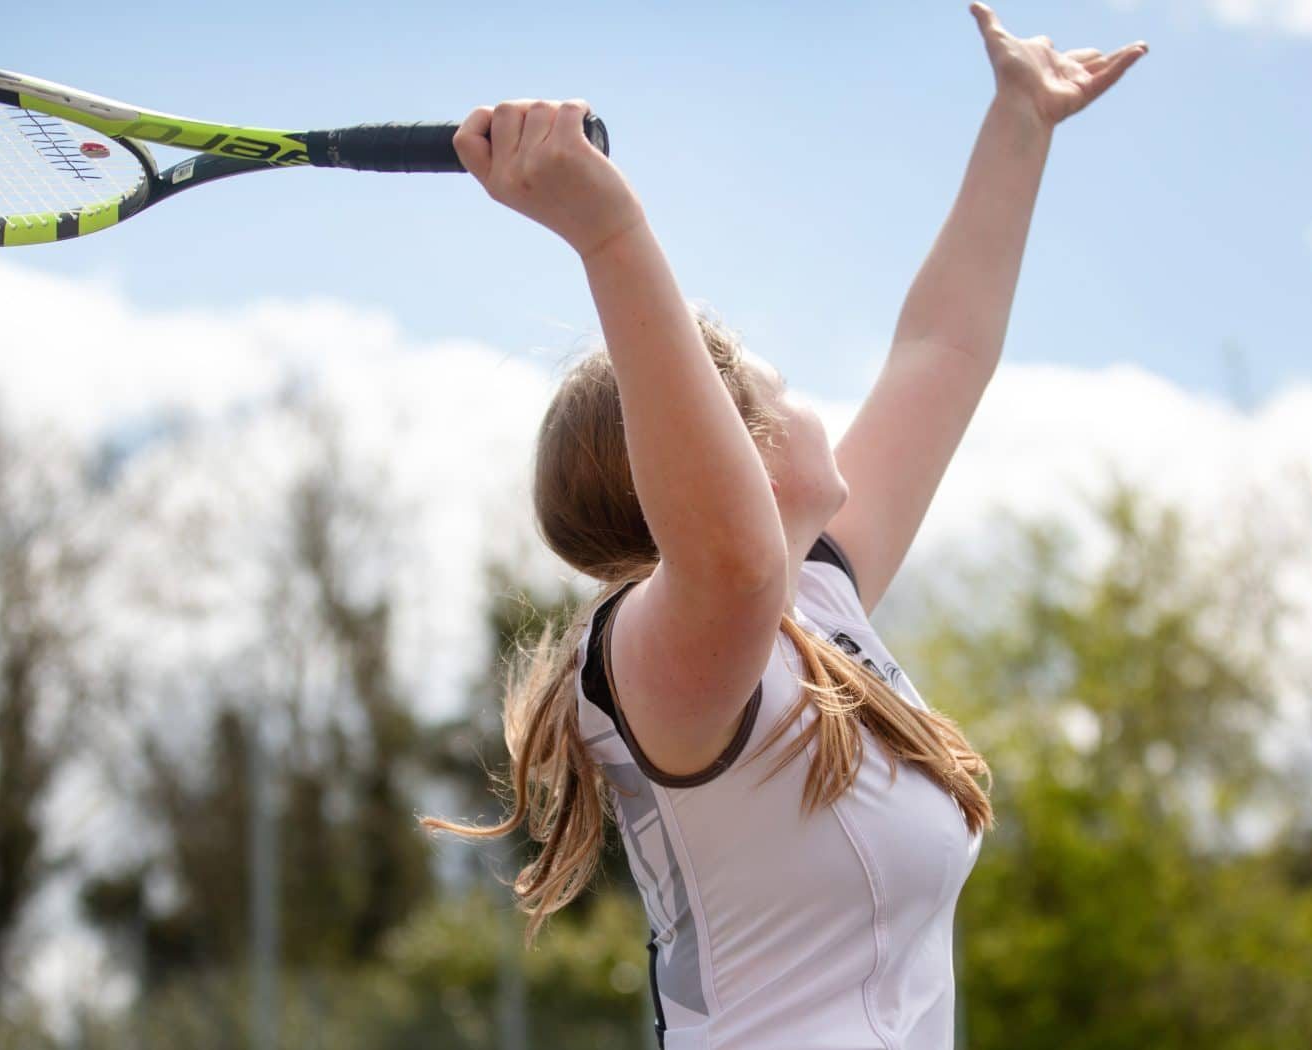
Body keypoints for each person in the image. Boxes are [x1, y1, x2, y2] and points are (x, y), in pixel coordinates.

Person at [421, 5, 1147, 1046]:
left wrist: (1020, 120)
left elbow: (939, 349)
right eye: (782, 385)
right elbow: (726, 559)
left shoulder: (811, 602)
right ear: (738, 448)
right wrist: (609, 231)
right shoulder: (664, 646)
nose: (815, 404)